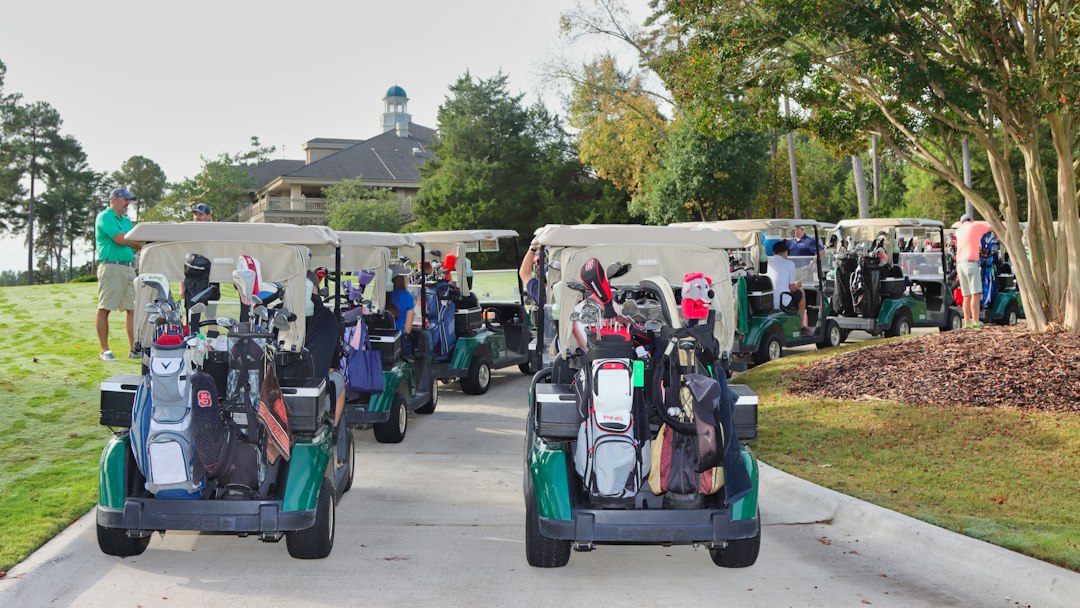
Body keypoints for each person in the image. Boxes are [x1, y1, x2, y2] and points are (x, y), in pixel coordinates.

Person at [95, 187, 142, 361]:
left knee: (132, 309)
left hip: (128, 268)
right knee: (105, 308)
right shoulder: (105, 217)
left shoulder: (126, 220)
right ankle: (105, 350)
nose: (128, 203)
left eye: (129, 200)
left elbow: (135, 236)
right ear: (115, 199)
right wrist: (141, 245)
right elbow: (121, 240)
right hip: (111, 267)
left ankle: (133, 349)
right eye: (125, 200)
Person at [766, 240, 810, 335]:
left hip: (768, 301)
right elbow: (792, 288)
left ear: (774, 253)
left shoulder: (767, 263)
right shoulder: (789, 264)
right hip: (783, 302)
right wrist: (798, 283)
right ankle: (801, 327)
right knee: (801, 292)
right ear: (786, 252)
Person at [955, 213, 991, 328]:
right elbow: (991, 227)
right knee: (976, 293)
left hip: (960, 264)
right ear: (971, 220)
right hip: (971, 263)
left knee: (966, 295)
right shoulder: (974, 226)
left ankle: (967, 322)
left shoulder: (958, 231)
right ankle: (976, 321)